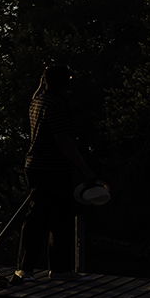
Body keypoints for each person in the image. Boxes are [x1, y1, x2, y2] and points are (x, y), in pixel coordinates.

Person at [14, 63, 99, 280]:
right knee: (45, 218)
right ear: (64, 82)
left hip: (40, 166)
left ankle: (54, 269)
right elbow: (64, 140)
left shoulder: (38, 101)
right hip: (49, 168)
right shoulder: (56, 105)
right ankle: (31, 269)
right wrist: (85, 170)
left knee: (56, 217)